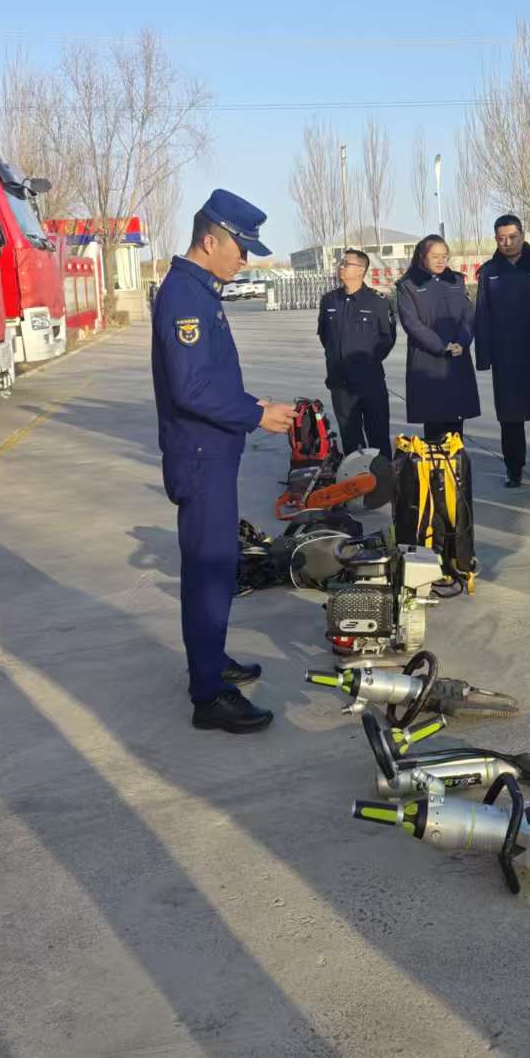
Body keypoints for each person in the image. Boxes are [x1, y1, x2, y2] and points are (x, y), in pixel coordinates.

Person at [151, 190, 296, 733]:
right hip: (200, 455)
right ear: (209, 239)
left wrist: (250, 403)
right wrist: (254, 416)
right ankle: (208, 694)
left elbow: (207, 379)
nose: (246, 259)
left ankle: (211, 660)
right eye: (241, 248)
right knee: (209, 570)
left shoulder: (199, 290)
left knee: (216, 566)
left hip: (211, 449)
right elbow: (190, 389)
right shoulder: (186, 297)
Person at [474, 215, 530, 486]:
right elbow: (482, 315)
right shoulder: (490, 272)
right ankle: (514, 470)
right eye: (501, 238)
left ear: (523, 236)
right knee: (510, 420)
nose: (507, 243)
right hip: (506, 357)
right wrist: (484, 357)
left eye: (512, 237)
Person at [396, 234, 479, 440]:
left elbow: (468, 315)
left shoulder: (456, 281)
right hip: (427, 361)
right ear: (422, 257)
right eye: (436, 257)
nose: (441, 261)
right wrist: (441, 345)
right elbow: (411, 323)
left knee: (455, 425)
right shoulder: (408, 285)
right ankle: (434, 470)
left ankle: (456, 469)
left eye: (445, 256)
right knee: (434, 423)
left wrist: (462, 341)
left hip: (457, 360)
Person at [316, 248, 397, 459]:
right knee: (351, 442)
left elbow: (386, 339)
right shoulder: (329, 301)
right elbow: (326, 337)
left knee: (378, 438)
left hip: (370, 383)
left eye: (346, 264)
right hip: (341, 384)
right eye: (341, 263)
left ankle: (383, 487)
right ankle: (356, 486)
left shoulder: (378, 302)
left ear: (361, 270)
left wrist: (365, 362)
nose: (341, 267)